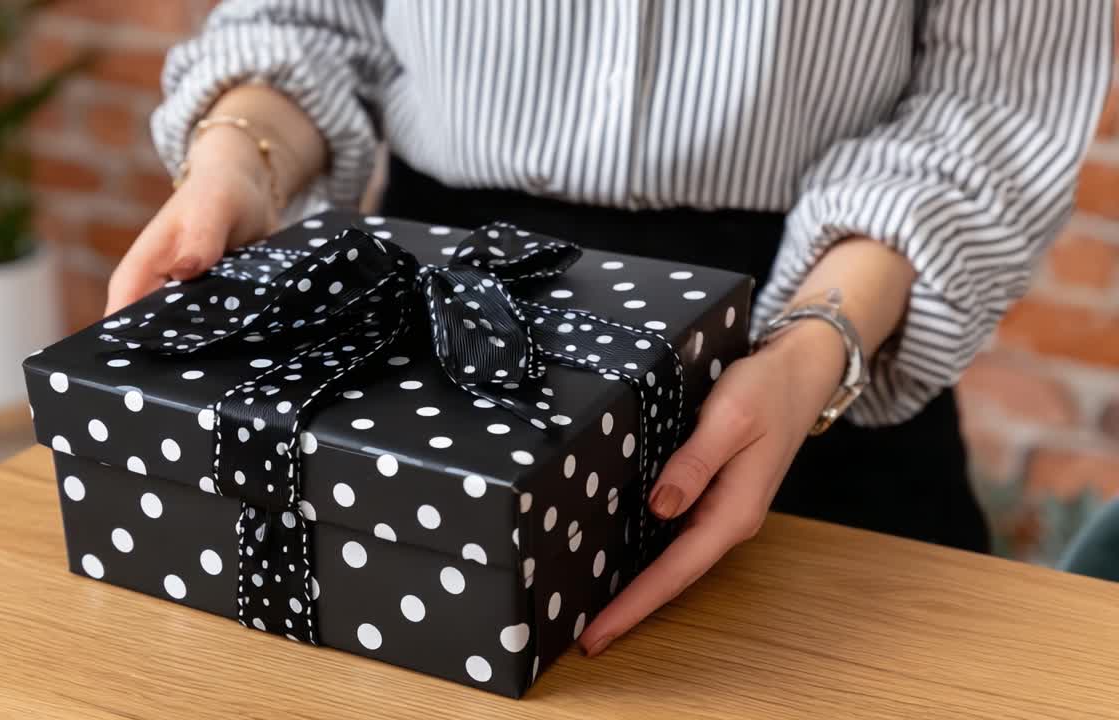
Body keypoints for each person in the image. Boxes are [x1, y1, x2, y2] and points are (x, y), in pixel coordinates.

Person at [107, 1, 1112, 657]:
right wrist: (236, 159)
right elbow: (307, 21)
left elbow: (987, 104)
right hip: (428, 318)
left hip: (805, 343)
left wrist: (814, 343)